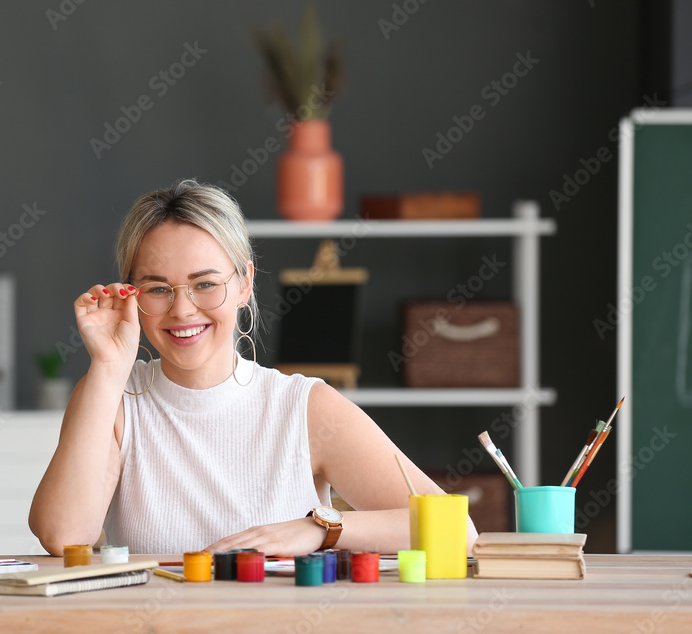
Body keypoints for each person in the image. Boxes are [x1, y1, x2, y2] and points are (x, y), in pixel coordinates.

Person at [29, 179, 478, 557]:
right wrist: (109, 365)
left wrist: (321, 528)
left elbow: (459, 533)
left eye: (205, 284)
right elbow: (64, 535)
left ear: (244, 283)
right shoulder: (113, 399)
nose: (182, 310)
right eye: (158, 289)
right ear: (131, 295)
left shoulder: (304, 406)